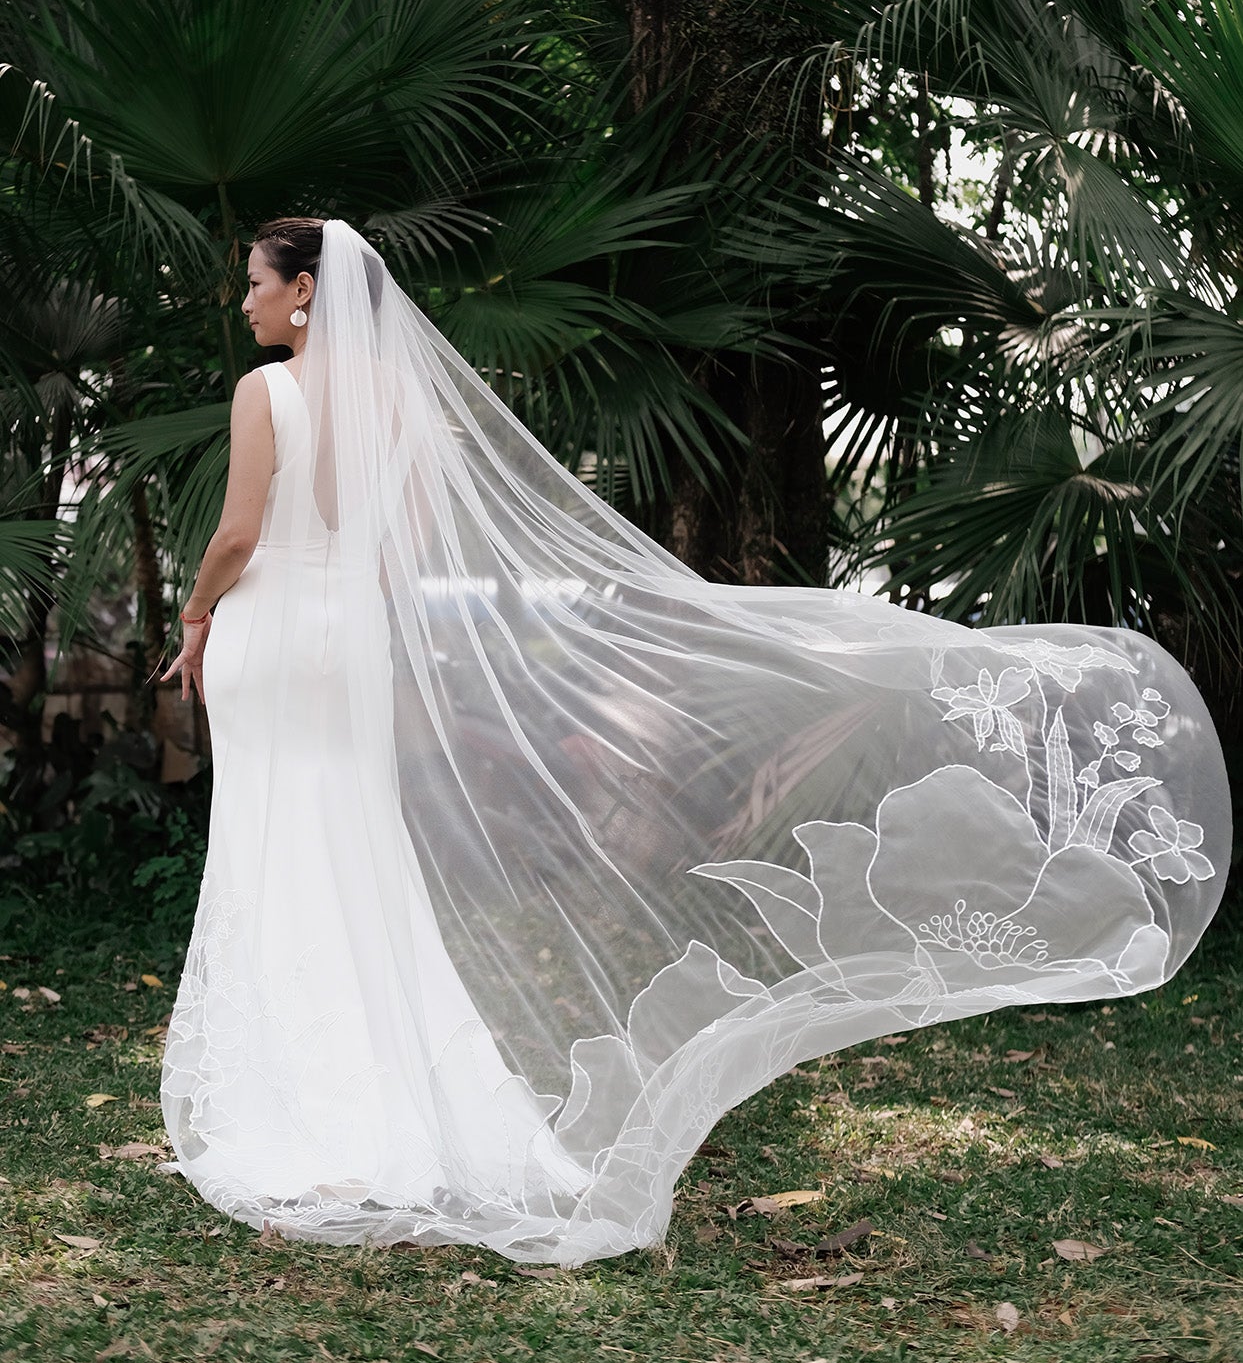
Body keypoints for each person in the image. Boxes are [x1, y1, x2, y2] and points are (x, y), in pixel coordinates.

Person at [158, 217, 1229, 1268]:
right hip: (349, 641)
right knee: (350, 846)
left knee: (276, 836)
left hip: (274, 632)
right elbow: (406, 546)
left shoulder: (267, 391)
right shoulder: (400, 401)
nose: (245, 300)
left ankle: (301, 1098)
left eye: (255, 281)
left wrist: (197, 612)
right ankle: (392, 1098)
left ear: (305, 290)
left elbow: (241, 532)